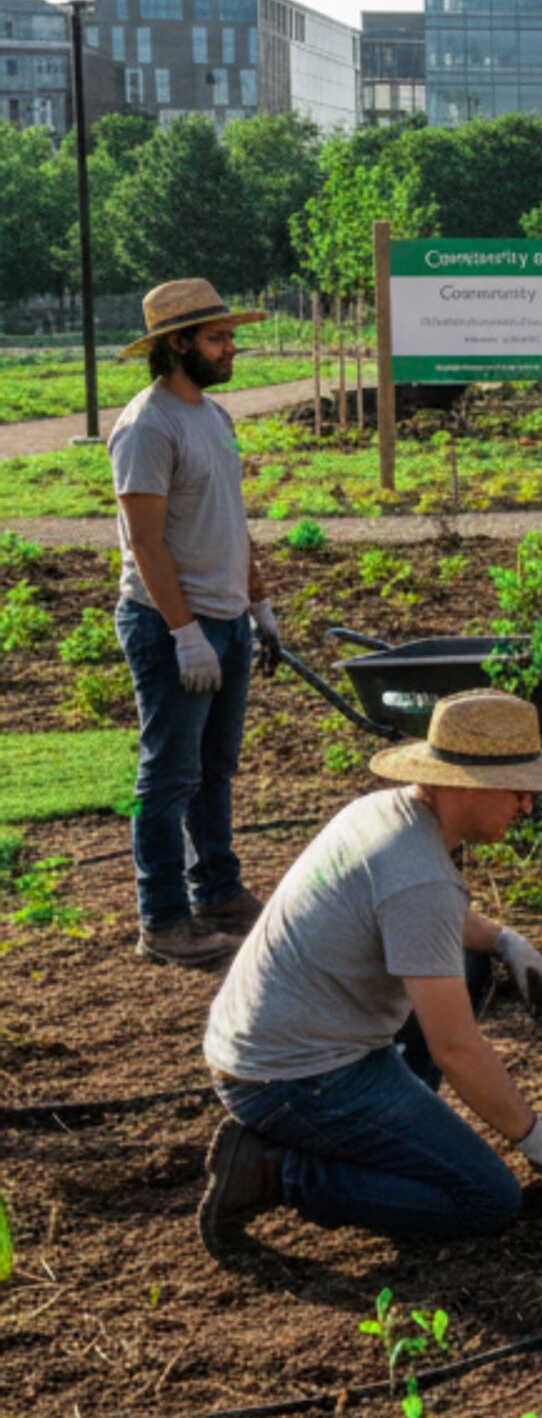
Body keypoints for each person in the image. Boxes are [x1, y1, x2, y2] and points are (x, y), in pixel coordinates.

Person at [194, 692, 542, 1252]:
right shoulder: (421, 875)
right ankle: (277, 1171)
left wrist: (505, 940)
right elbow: (455, 1048)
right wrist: (537, 1139)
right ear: (463, 784)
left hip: (269, 1044)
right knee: (488, 1198)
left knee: (467, 960)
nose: (527, 805)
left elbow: (424, 919)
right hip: (296, 1080)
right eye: (517, 787)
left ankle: (396, 1122)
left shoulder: (384, 814)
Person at [109, 278, 285, 971]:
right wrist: (184, 634)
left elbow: (232, 525)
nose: (231, 346)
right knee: (168, 776)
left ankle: (215, 892)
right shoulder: (147, 425)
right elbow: (146, 542)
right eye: (217, 338)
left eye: (228, 335)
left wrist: (258, 603)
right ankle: (162, 921)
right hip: (167, 626)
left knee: (215, 769)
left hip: (227, 617)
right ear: (178, 345)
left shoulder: (214, 416)